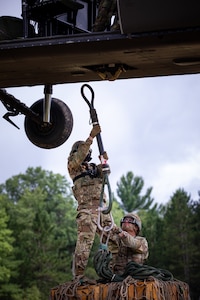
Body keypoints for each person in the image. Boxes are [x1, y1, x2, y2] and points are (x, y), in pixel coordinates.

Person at [67, 124, 112, 279]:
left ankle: (115, 271)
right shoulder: (74, 166)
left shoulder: (92, 167)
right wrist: (91, 137)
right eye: (85, 150)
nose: (87, 154)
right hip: (87, 210)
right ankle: (78, 277)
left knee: (114, 239)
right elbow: (78, 158)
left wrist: (104, 162)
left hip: (102, 210)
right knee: (84, 244)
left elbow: (105, 172)